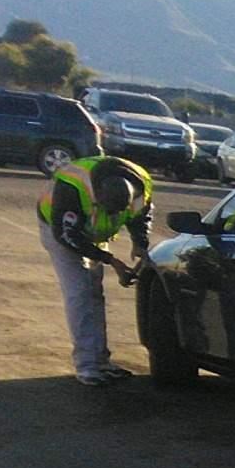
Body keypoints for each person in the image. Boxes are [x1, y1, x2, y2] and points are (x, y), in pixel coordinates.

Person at [39, 153, 153, 387]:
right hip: (59, 228)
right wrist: (111, 261)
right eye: (107, 209)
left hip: (92, 231)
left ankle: (100, 361)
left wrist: (140, 244)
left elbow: (141, 216)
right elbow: (67, 236)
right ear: (98, 195)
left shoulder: (142, 184)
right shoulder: (72, 186)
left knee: (94, 293)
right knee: (80, 293)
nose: (111, 216)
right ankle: (87, 366)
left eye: (116, 212)